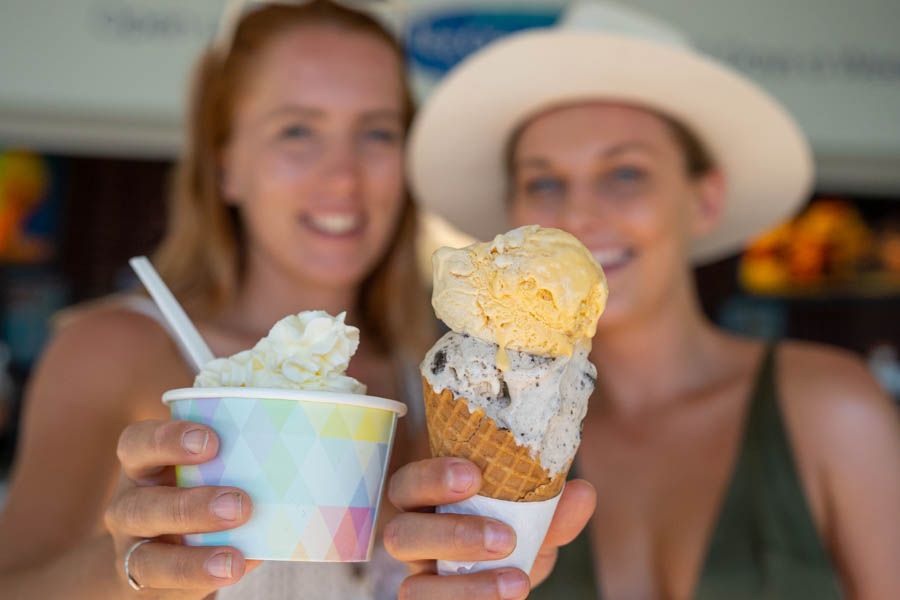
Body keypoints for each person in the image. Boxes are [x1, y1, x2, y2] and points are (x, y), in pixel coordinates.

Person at [0, 2, 593, 599]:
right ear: (226, 163)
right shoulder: (114, 350)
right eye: (297, 130)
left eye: (378, 132)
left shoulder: (440, 379)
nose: (343, 176)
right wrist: (129, 571)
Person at [407, 2, 900, 598]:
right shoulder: (462, 443)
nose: (579, 214)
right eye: (543, 181)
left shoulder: (833, 408)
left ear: (705, 198)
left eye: (625, 174)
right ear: (512, 213)